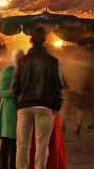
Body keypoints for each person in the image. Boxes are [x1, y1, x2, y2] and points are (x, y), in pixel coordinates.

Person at [13, 28, 63, 169]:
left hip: (24, 106)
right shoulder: (53, 61)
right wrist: (57, 106)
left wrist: (17, 104)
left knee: (22, 145)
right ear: (45, 41)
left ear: (31, 41)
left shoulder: (22, 61)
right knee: (42, 144)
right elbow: (58, 85)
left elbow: (16, 84)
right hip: (45, 107)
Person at [60, 39, 94, 134]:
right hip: (83, 86)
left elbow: (63, 69)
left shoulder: (69, 55)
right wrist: (93, 85)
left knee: (66, 106)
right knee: (81, 107)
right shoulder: (91, 56)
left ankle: (62, 124)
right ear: (86, 43)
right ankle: (77, 126)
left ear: (76, 43)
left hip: (69, 85)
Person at [0, 48, 25, 169]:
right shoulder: (7, 72)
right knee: (7, 142)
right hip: (9, 111)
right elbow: (2, 92)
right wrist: (15, 92)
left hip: (20, 110)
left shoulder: (24, 71)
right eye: (18, 58)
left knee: (16, 143)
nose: (20, 61)